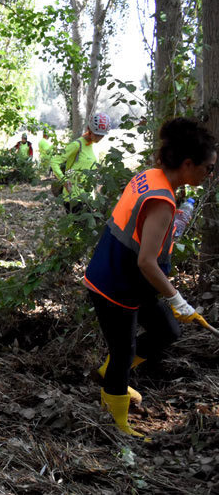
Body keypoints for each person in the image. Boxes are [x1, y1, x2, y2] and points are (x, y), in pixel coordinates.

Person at [84, 117, 216, 440]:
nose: (210, 174)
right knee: (124, 350)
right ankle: (116, 419)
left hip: (127, 278)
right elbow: (146, 261)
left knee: (165, 330)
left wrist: (177, 217)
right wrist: (177, 299)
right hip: (116, 284)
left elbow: (150, 236)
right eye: (208, 168)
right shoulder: (162, 201)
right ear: (187, 164)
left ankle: (109, 373)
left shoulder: (153, 177)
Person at [51, 113, 110, 213]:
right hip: (73, 198)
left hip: (88, 197)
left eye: (101, 136)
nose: (99, 138)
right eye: (97, 135)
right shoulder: (77, 145)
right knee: (79, 227)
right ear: (89, 129)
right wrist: (64, 180)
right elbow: (54, 161)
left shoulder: (94, 146)